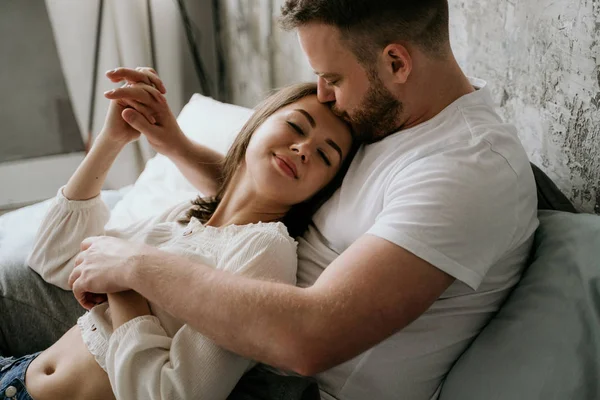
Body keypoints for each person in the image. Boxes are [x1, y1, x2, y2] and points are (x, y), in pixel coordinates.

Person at [0, 1, 539, 399]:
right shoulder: (393, 114)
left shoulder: (466, 170)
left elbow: (311, 336)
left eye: (331, 78)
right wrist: (174, 146)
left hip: (250, 369)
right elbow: (272, 196)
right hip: (179, 312)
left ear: (396, 63)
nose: (325, 96)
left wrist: (135, 267)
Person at [0, 76, 355, 399]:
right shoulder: (186, 216)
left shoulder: (266, 250)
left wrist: (124, 279)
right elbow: (54, 258)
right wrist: (112, 140)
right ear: (257, 123)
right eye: (295, 126)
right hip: (16, 373)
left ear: (321, 191)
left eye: (324, 155)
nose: (304, 148)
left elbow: (174, 393)